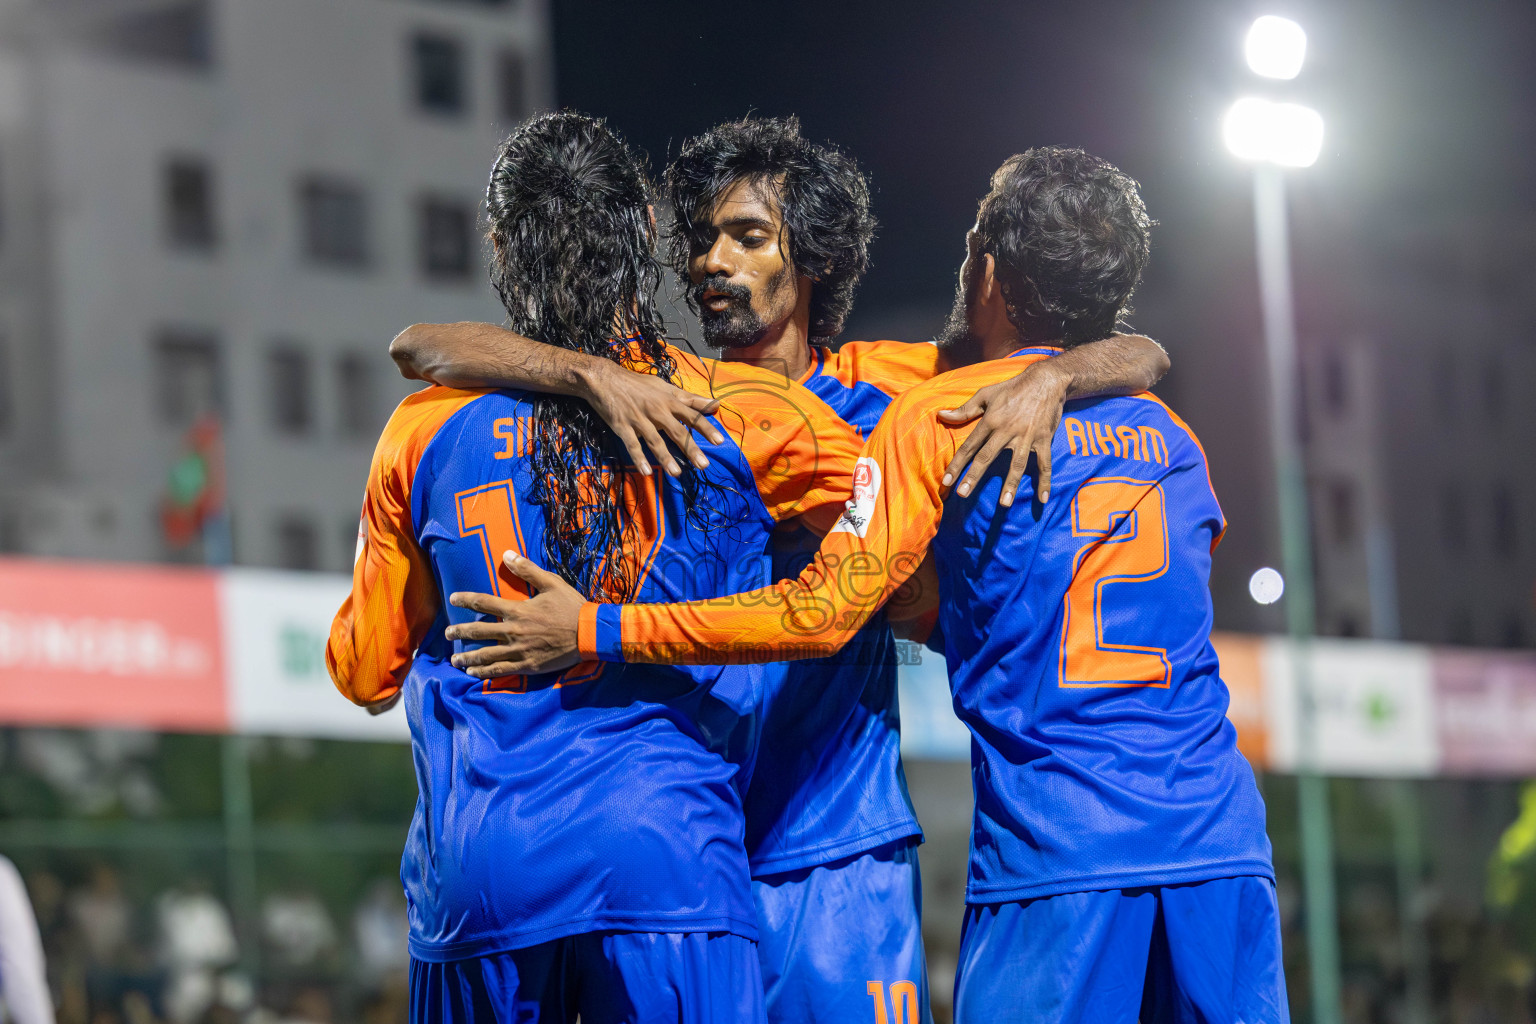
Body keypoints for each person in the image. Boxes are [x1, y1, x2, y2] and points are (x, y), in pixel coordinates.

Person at [448, 147, 1287, 1024]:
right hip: (687, 852)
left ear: (810, 256)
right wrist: (584, 372)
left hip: (837, 847)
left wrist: (1056, 376)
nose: (714, 260)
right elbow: (426, 344)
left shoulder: (910, 392)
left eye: (746, 235)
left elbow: (1122, 348)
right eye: (700, 239)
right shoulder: (649, 398)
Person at [328, 110, 892, 1024]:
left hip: (482, 872)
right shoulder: (742, 409)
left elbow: (363, 674)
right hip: (670, 860)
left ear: (503, 249)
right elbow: (894, 526)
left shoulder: (417, 432)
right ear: (646, 233)